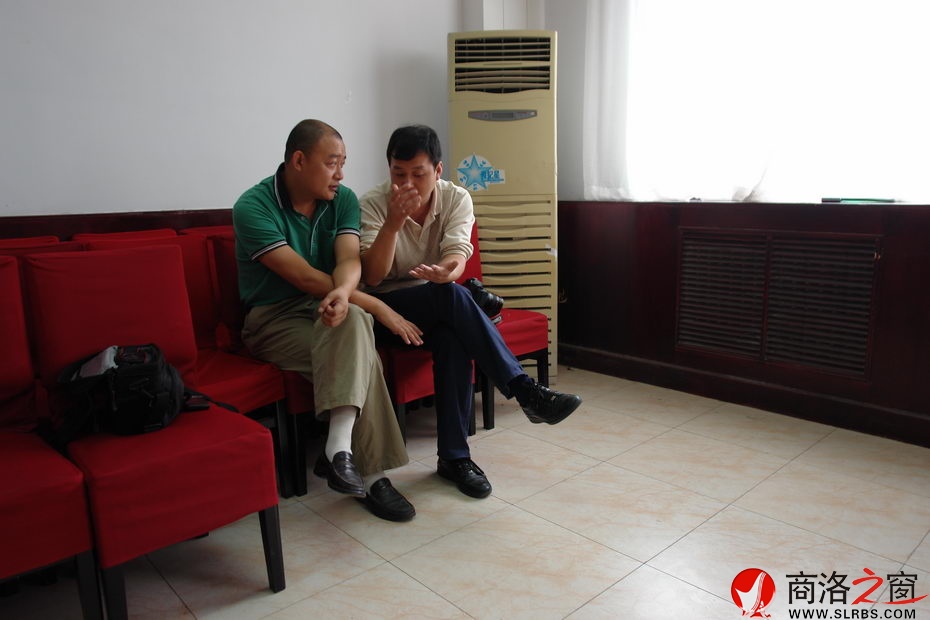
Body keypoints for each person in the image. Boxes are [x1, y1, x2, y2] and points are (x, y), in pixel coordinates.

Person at [359, 124, 582, 499]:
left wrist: (447, 272)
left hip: (436, 301)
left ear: (438, 170)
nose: (407, 184)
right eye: (399, 174)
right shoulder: (372, 203)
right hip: (383, 312)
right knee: (452, 299)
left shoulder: (456, 197)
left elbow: (457, 254)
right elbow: (373, 276)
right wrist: (393, 224)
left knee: (453, 333)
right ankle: (524, 390)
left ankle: (454, 457)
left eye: (418, 174)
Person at [233, 119, 420, 522]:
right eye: (332, 163)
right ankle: (372, 476)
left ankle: (338, 451)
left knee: (353, 322)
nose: (341, 174)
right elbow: (302, 277)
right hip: (273, 318)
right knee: (363, 348)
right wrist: (376, 306)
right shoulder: (252, 207)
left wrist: (344, 293)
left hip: (327, 304)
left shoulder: (342, 199)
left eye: (343, 163)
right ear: (299, 161)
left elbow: (349, 259)